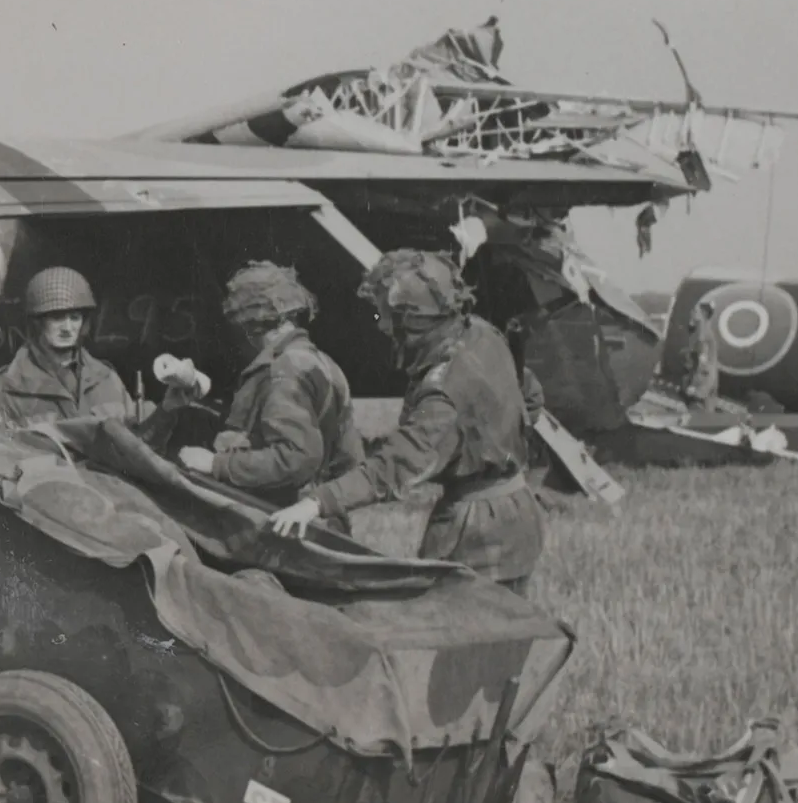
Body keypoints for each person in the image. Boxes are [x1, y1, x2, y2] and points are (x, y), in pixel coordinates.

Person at [267, 249, 544, 597]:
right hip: (518, 509)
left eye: (385, 315)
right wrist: (494, 442)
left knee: (456, 634)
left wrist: (317, 502)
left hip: (479, 529)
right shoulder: (483, 335)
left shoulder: (444, 390)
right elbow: (529, 396)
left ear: (411, 320)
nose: (381, 325)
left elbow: (396, 465)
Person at [173, 261, 363, 535]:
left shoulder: (283, 370)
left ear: (250, 324)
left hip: (287, 526)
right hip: (322, 522)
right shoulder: (321, 363)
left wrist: (216, 464)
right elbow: (347, 456)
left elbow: (296, 457)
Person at [0, 266, 138, 430]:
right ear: (37, 322)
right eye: (57, 317)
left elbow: (135, 443)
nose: (67, 327)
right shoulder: (5, 388)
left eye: (75, 318)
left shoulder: (107, 379)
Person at [681, 299, 721, 410]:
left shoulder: (703, 333)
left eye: (695, 311)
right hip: (705, 380)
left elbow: (704, 363)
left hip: (703, 382)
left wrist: (696, 388)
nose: (692, 313)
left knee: (700, 412)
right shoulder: (701, 331)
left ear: (703, 313)